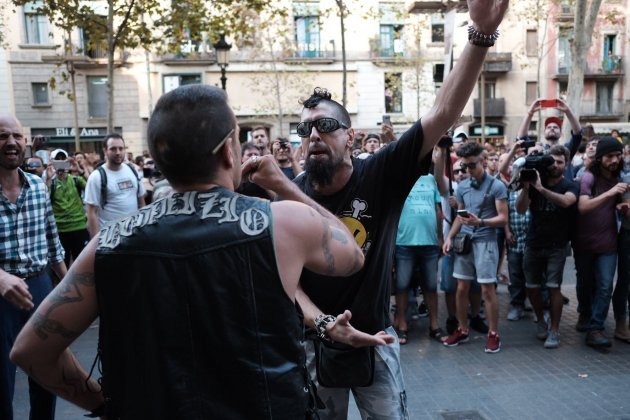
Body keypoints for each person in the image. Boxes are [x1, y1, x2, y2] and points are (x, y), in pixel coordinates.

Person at [9, 85, 390, 419]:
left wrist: (105, 404)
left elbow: (31, 352)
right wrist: (288, 188)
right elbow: (352, 256)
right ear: (229, 151)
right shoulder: (284, 223)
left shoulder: (109, 243)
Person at [248, 0, 509, 415]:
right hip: (316, 343)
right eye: (304, 129)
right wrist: (322, 322)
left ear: (349, 136)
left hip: (378, 340)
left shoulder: (381, 172)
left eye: (326, 126)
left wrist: (479, 35)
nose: (313, 134)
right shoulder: (291, 191)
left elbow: (442, 113)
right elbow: (287, 280)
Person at [0, 114, 67, 420]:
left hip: (40, 288)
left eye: (16, 136)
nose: (11, 143)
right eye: (2, 136)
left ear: (26, 142)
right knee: (3, 383)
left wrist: (69, 287)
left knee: (46, 375)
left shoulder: (39, 186)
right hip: (1, 296)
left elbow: (53, 242)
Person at [442, 142, 508, 353]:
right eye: (464, 167)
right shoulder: (462, 187)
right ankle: (462, 329)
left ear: (483, 161)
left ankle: (494, 333)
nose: (467, 171)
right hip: (466, 242)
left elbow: (503, 218)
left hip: (486, 242)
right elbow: (461, 216)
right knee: (462, 288)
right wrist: (450, 238)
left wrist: (481, 222)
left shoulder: (497, 186)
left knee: (488, 290)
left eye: (471, 165)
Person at [516, 145, 579, 348]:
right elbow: (520, 209)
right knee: (532, 287)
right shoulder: (535, 183)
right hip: (533, 243)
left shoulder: (570, 185)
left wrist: (542, 189)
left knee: (554, 288)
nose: (554, 165)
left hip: (557, 245)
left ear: (566, 165)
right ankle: (541, 322)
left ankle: (555, 329)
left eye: (559, 162)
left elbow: (567, 202)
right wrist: (527, 187)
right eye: (552, 161)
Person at [574, 137, 628, 348]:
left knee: (605, 286)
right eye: (609, 156)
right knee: (585, 283)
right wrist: (610, 193)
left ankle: (596, 329)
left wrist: (623, 209)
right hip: (584, 242)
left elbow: (623, 205)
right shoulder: (588, 177)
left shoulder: (621, 179)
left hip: (608, 244)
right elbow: (583, 207)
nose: (614, 160)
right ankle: (584, 314)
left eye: (617, 155)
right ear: (600, 158)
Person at [84, 134, 146, 236]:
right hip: (110, 239)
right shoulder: (96, 177)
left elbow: (141, 202)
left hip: (134, 235)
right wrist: (97, 243)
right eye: (113, 149)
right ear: (105, 151)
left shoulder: (132, 170)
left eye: (121, 148)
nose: (118, 152)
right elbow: (91, 212)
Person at [45, 149, 90, 269]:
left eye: (63, 159)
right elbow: (44, 201)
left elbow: (92, 187)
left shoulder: (76, 179)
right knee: (62, 266)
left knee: (82, 266)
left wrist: (79, 169)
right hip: (59, 231)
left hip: (79, 227)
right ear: (52, 162)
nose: (60, 162)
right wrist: (49, 179)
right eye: (57, 160)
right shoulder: (51, 183)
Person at [517, 98, 581, 179]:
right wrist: (530, 112)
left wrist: (567, 111)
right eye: (549, 127)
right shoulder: (537, 151)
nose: (552, 128)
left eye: (555, 127)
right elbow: (521, 138)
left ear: (561, 133)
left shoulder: (567, 149)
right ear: (544, 133)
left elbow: (578, 134)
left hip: (564, 190)